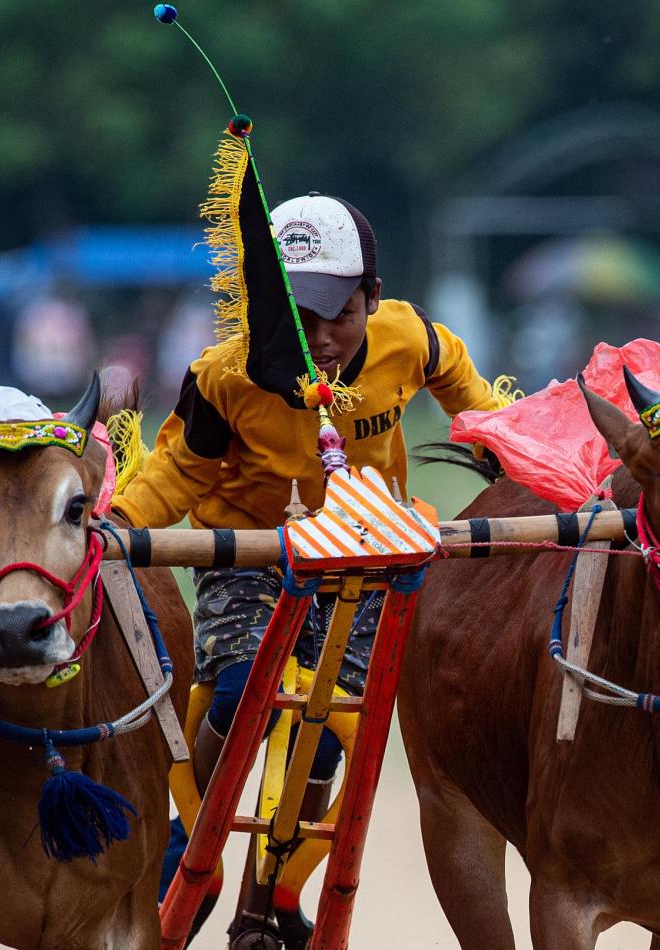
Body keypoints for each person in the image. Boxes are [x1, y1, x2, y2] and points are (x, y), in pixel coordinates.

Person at [111, 192, 504, 831]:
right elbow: (180, 470)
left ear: (373, 297)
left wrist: (544, 472)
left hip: (364, 554)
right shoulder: (226, 376)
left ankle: (278, 885)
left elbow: (487, 419)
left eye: (341, 316)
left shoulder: (415, 340)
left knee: (325, 733)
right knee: (245, 696)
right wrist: (120, 525)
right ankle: (183, 831)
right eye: (298, 318)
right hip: (247, 556)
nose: (320, 340)